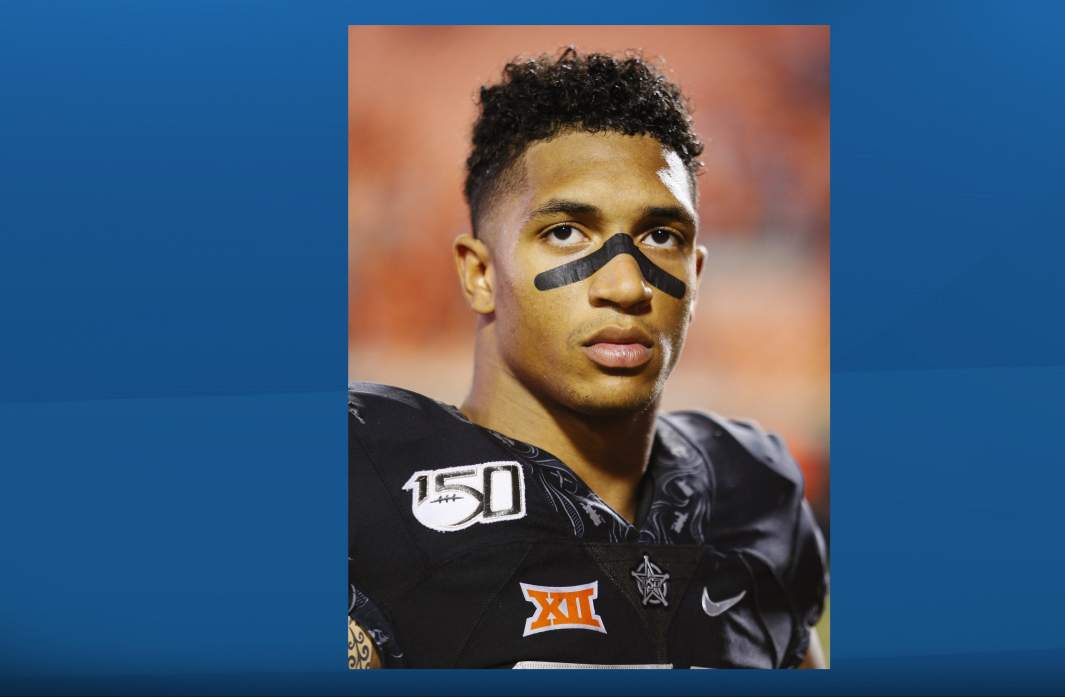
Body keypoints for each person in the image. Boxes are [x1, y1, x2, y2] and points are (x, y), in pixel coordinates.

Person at [348, 47, 828, 669]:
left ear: (698, 274)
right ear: (479, 274)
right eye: (566, 232)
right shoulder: (367, 480)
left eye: (663, 236)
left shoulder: (755, 496)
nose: (627, 285)